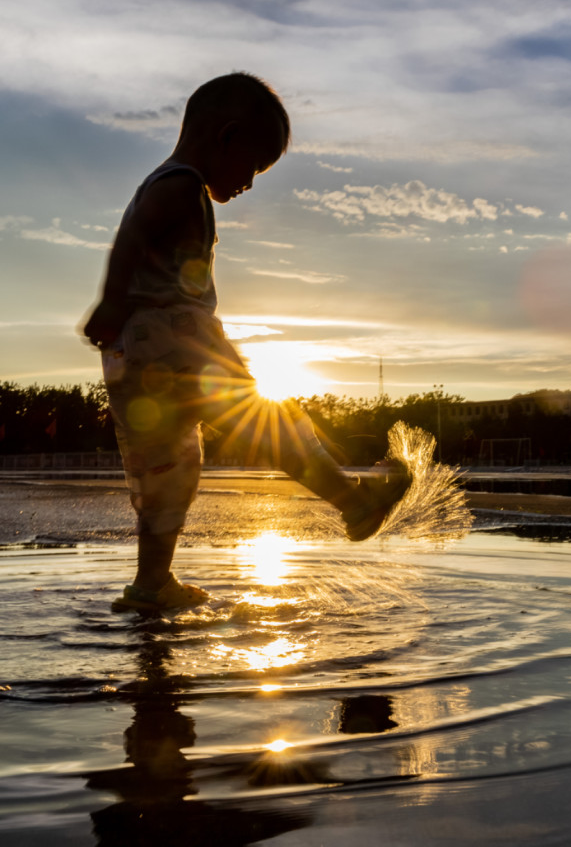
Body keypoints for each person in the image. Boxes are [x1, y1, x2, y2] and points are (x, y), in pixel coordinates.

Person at [83, 73, 410, 612]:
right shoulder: (181, 185)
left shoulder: (167, 182)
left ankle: (151, 584)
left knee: (166, 468)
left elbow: (137, 238)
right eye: (254, 167)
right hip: (175, 335)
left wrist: (118, 311)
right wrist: (112, 298)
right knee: (266, 419)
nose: (251, 184)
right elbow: (134, 235)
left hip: (134, 353)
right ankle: (354, 503)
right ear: (227, 136)